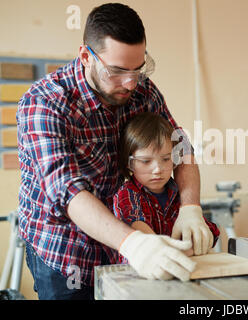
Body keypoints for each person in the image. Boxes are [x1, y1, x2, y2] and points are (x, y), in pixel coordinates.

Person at [17, 3, 213, 300]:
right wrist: (134, 244)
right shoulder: (45, 102)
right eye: (118, 71)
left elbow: (181, 147)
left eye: (138, 69)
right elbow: (67, 191)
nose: (130, 83)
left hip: (122, 241)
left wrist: (190, 208)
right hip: (64, 249)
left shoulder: (143, 91)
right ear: (85, 56)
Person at [113, 112, 220, 278]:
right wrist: (187, 247)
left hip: (177, 274)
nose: (158, 169)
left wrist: (200, 235)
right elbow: (144, 238)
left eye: (165, 159)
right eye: (146, 161)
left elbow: (207, 232)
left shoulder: (180, 193)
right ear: (129, 163)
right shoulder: (128, 194)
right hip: (138, 277)